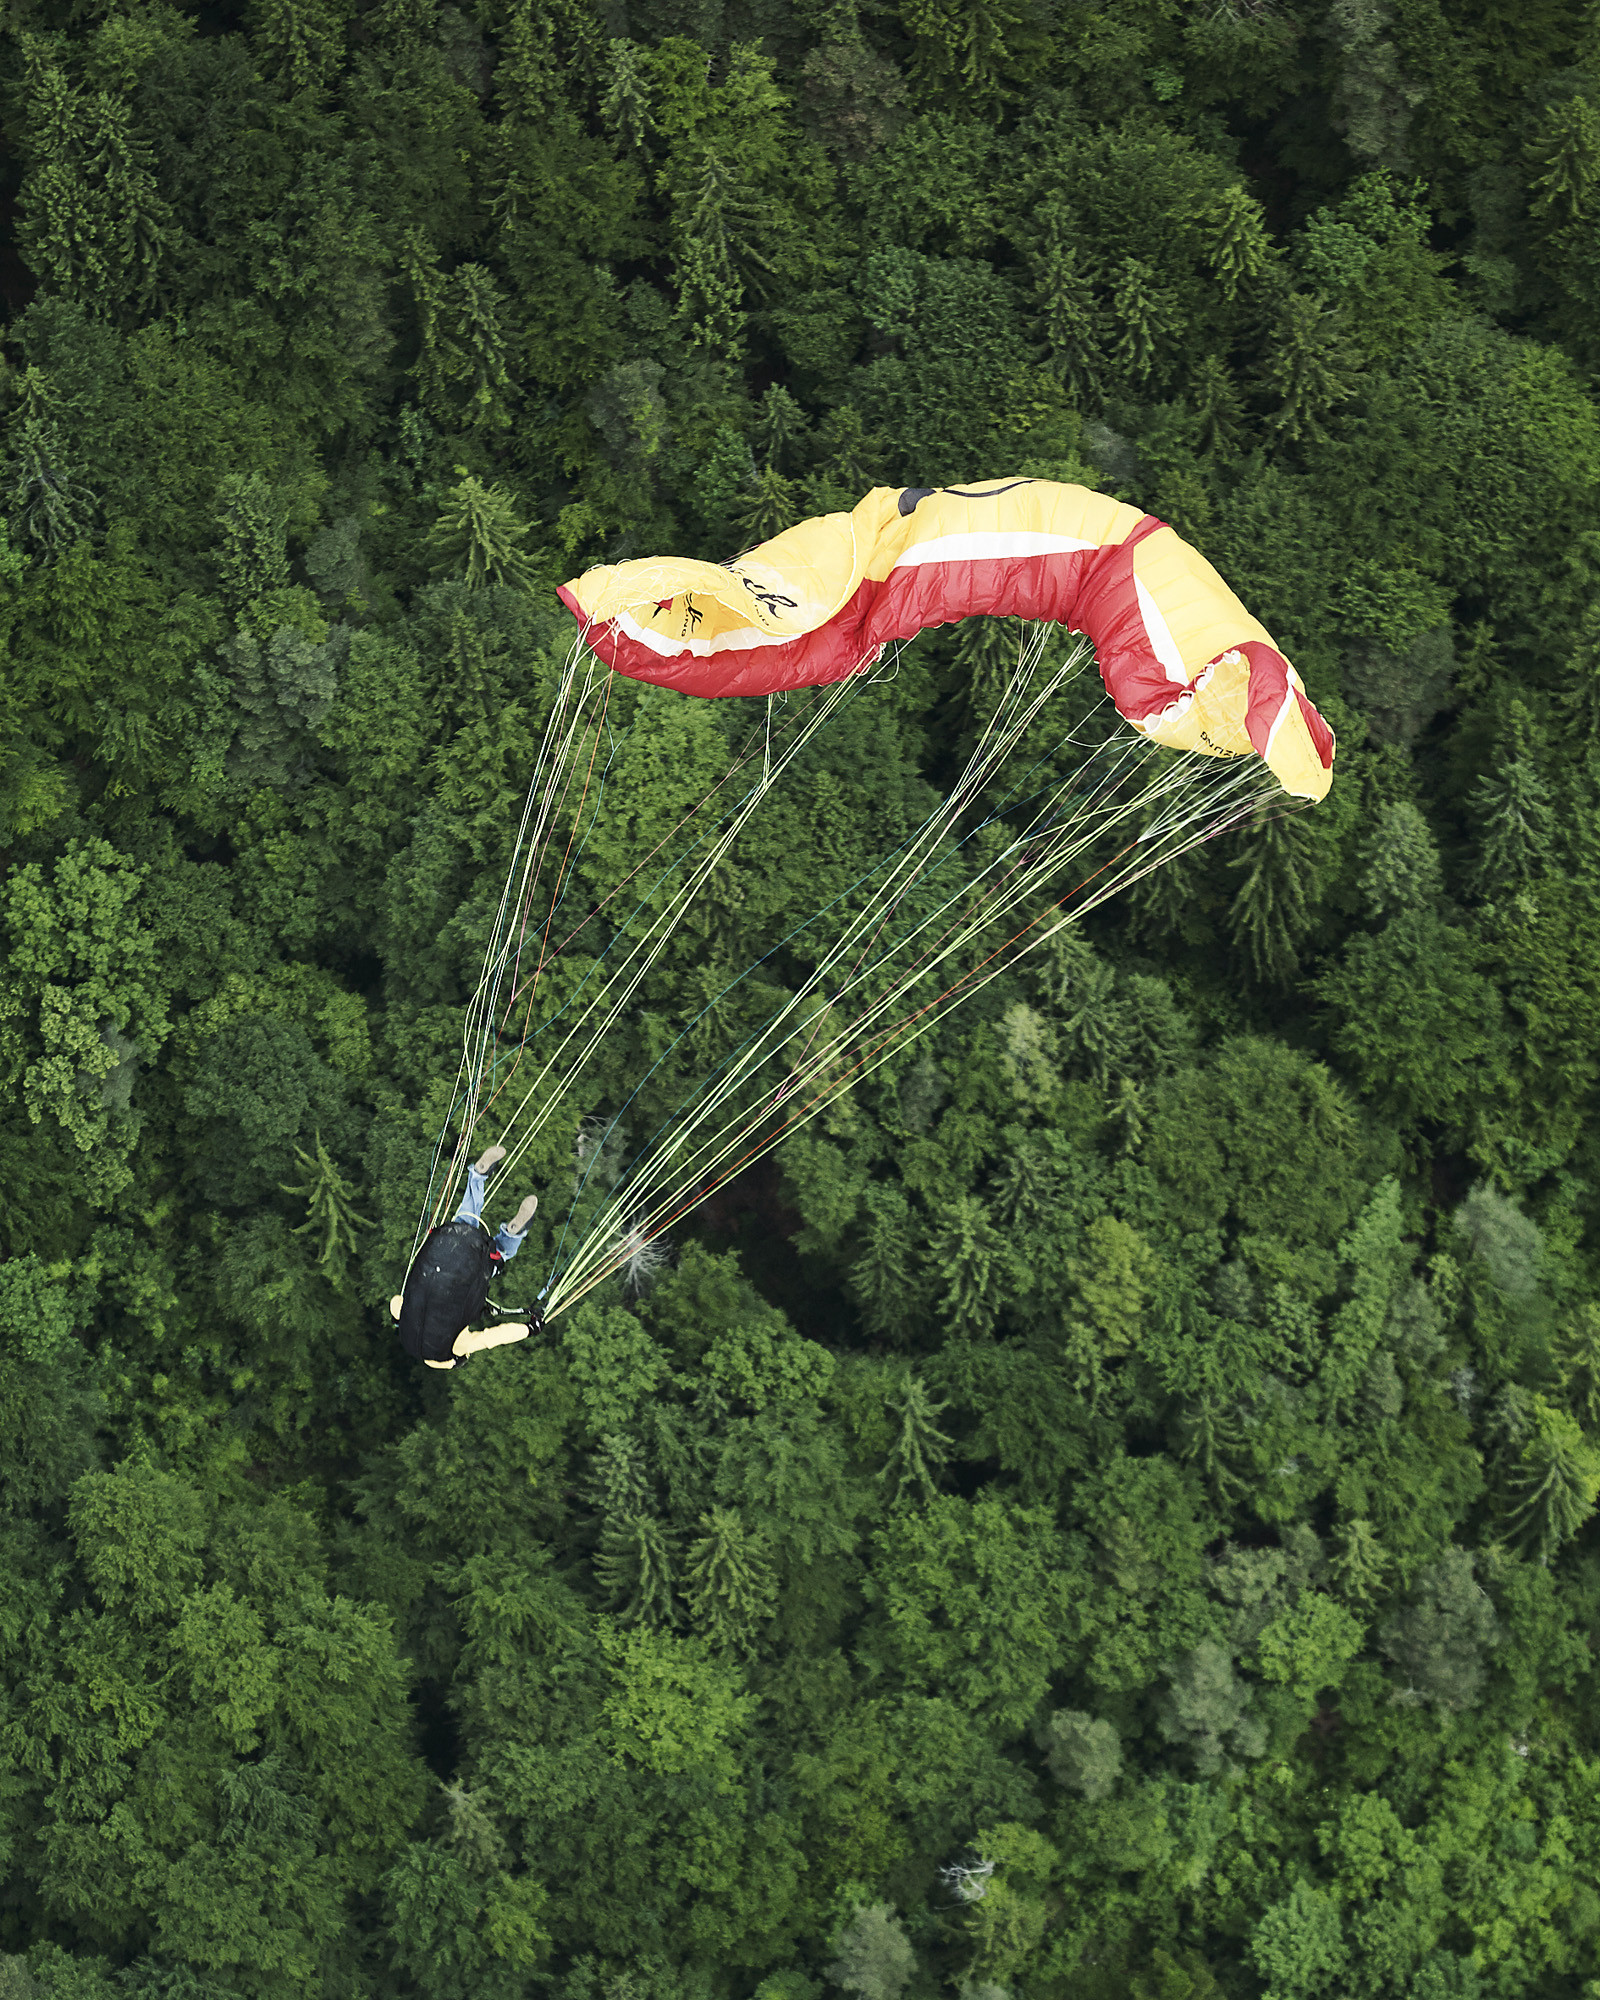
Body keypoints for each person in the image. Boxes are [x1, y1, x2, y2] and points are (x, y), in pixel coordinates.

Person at [390, 1145, 541, 1370]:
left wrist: (529, 1329)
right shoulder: (406, 1333)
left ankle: (513, 1231)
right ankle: (478, 1175)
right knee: (464, 1222)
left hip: (465, 1267)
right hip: (440, 1248)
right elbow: (396, 1301)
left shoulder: (454, 1348)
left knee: (500, 1254)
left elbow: (493, 1337)